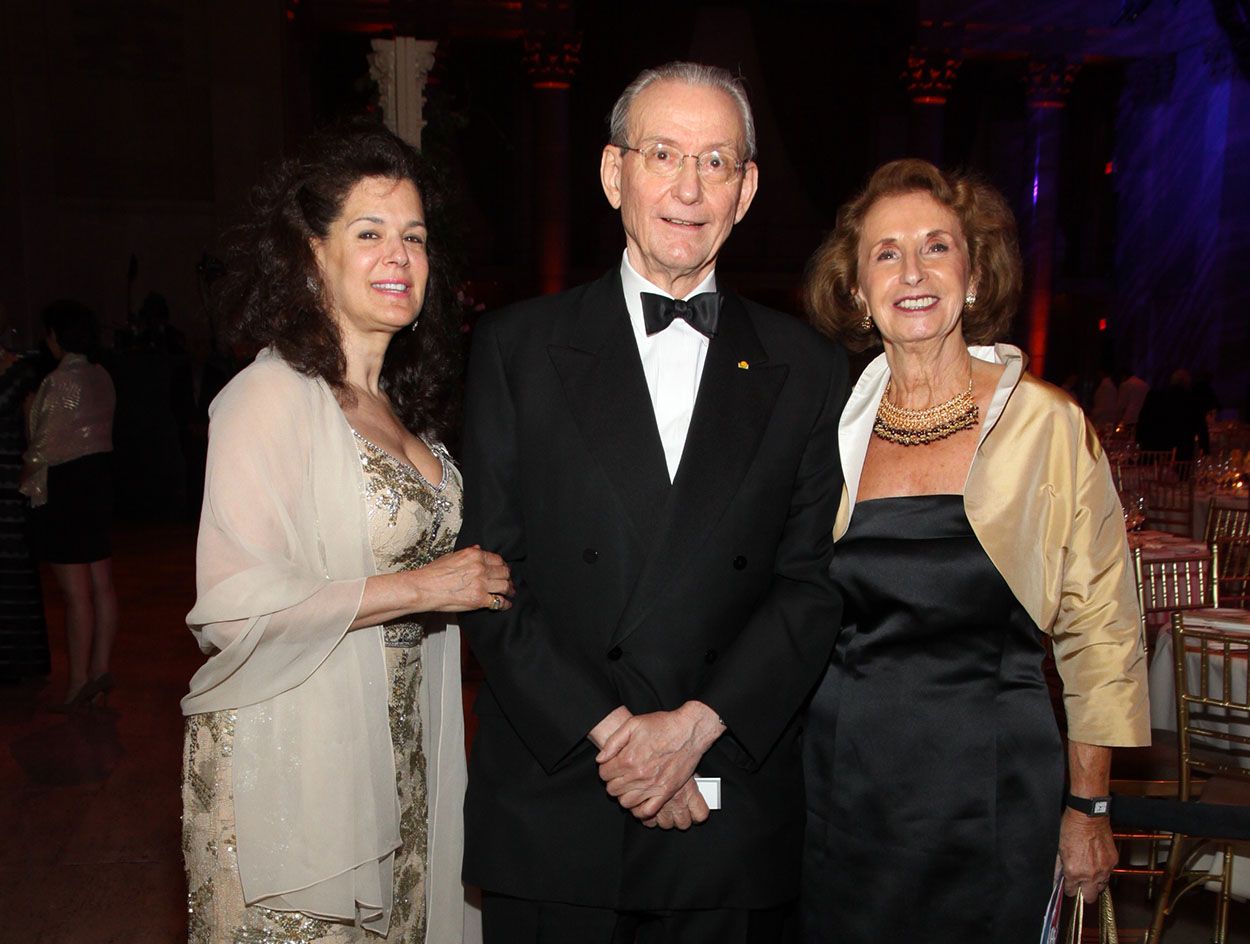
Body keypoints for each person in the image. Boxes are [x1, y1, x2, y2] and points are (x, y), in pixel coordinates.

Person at [456, 62, 849, 943]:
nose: (687, 186)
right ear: (612, 172)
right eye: (663, 153)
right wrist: (618, 737)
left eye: (716, 162)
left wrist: (694, 731)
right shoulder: (519, 348)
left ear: (746, 190)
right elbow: (491, 574)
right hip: (562, 796)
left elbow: (811, 585)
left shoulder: (810, 369)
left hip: (727, 802)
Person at [799, 159, 1150, 943]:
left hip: (992, 789)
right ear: (857, 288)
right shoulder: (828, 432)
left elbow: (1102, 630)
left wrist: (1088, 805)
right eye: (886, 253)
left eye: (936, 247)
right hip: (841, 788)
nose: (913, 272)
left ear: (974, 272)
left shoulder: (1046, 427)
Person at [180, 123, 510, 942]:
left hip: (401, 759)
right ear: (310, 254)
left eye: (415, 238)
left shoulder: (403, 413)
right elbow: (229, 610)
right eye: (369, 234)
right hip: (299, 768)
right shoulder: (270, 397)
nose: (399, 256)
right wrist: (425, 589)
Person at [20, 301, 118, 708]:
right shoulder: (102, 376)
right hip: (97, 484)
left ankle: (77, 681)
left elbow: (40, 444)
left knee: (75, 595)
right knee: (101, 584)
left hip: (65, 489)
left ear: (58, 336)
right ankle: (99, 671)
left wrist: (27, 408)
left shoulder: (58, 382)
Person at [0, 327, 51, 681]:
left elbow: (37, 433)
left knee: (15, 572)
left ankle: (21, 665)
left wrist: (31, 477)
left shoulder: (21, 372)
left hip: (9, 483)